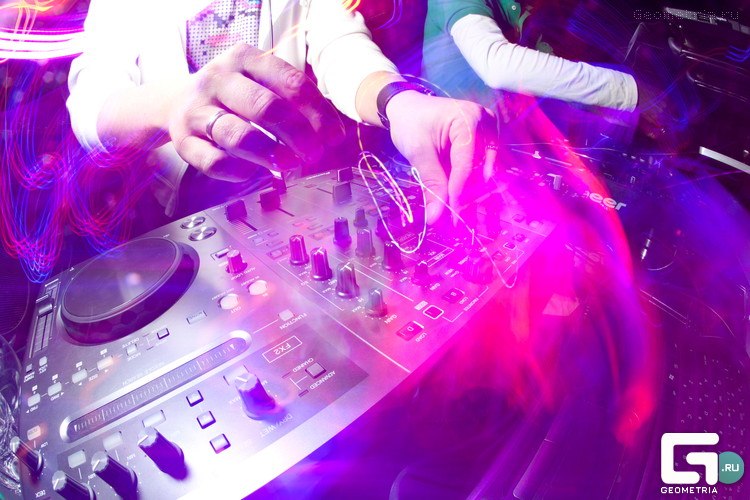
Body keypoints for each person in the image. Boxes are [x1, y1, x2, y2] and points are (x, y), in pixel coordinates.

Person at [67, 0, 498, 224]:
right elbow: (92, 100)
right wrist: (172, 105)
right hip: (189, 210)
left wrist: (400, 103)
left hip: (298, 189)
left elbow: (341, 45)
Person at [422, 0, 639, 111]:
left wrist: (619, 116)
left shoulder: (528, 6)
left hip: (503, 144)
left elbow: (551, 75)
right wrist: (629, 91)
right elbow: (497, 66)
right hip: (449, 145)